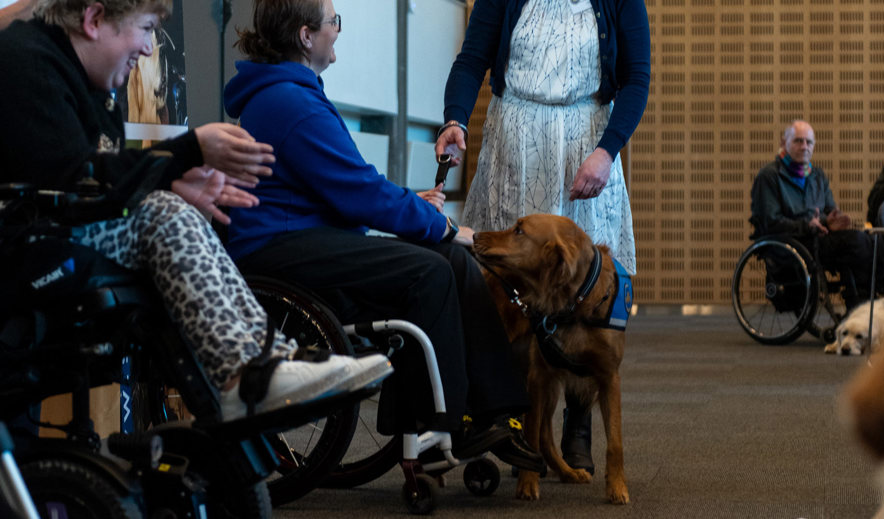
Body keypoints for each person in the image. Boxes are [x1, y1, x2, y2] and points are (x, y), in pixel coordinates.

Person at [0, 0, 392, 422]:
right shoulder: (27, 63)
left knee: (171, 209)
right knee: (164, 214)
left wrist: (171, 179)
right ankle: (245, 374)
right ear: (94, 20)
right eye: (146, 28)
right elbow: (74, 181)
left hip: (56, 236)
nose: (150, 49)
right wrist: (187, 151)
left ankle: (268, 360)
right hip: (22, 248)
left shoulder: (93, 85)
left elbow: (94, 180)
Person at [222, 0, 545, 472]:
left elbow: (346, 186)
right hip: (279, 252)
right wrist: (447, 226)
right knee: (431, 267)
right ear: (306, 37)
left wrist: (419, 209)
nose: (338, 31)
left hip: (299, 239)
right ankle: (446, 421)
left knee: (449, 260)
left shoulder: (291, 94)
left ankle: (493, 412)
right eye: (334, 21)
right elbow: (360, 193)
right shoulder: (291, 103)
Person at [434, 0, 651, 475]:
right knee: (507, 286)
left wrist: (607, 151)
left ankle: (578, 424)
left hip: (587, 141)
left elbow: (637, 77)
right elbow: (472, 59)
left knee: (587, 287)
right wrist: (454, 118)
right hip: (516, 142)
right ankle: (515, 422)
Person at [750, 120, 878, 310]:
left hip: (817, 239)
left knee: (874, 241)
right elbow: (770, 222)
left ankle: (866, 302)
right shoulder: (769, 176)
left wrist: (831, 221)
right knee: (856, 242)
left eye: (809, 142)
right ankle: (859, 308)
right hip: (791, 244)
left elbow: (828, 212)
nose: (804, 147)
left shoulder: (817, 175)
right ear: (783, 142)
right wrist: (807, 225)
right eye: (798, 141)